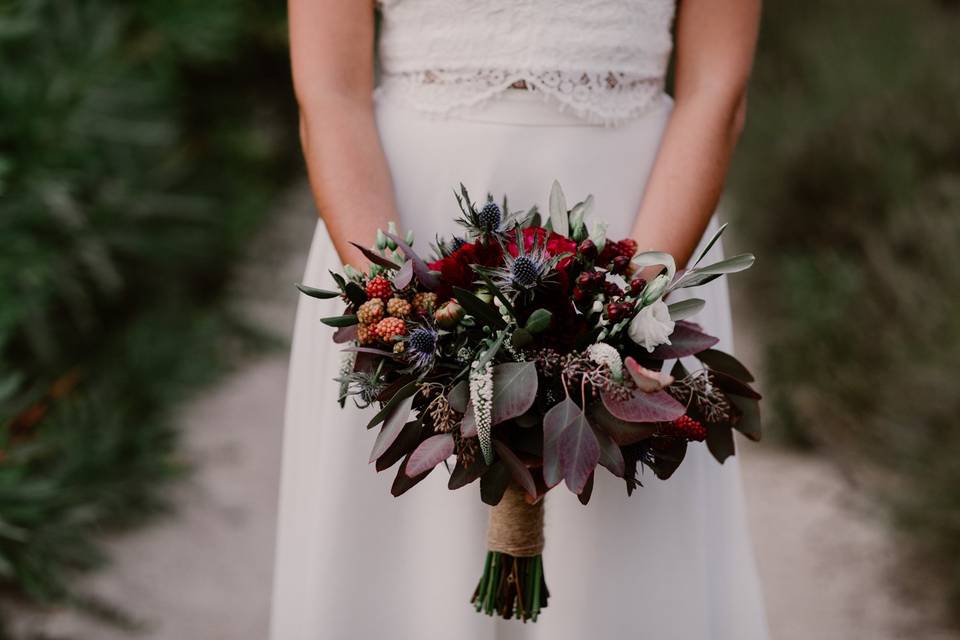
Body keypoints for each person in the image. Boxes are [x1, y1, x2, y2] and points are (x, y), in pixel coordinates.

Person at [271, 1, 768, 638]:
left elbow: (716, 90)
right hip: (403, 226)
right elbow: (329, 91)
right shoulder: (395, 279)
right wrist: (394, 300)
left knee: (619, 562)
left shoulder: (634, 280)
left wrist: (623, 308)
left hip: (641, 228)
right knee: (403, 568)